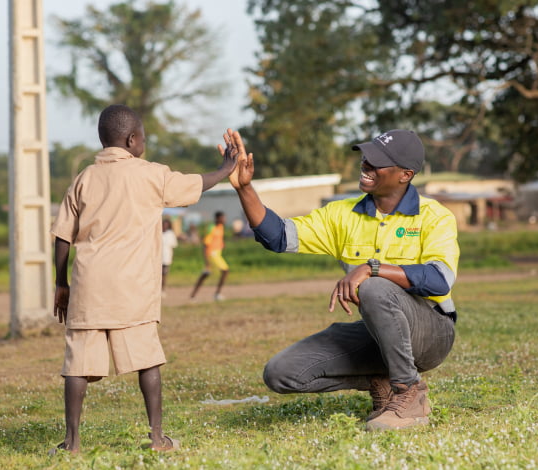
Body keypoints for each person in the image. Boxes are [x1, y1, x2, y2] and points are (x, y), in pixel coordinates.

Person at [223, 128, 459, 431]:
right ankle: (382, 380)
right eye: (366, 158)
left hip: (432, 332)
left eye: (377, 163)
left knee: (374, 285)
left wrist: (371, 268)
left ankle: (409, 393)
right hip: (380, 332)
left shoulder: (434, 216)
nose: (366, 165)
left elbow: (439, 280)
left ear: (405, 174)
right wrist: (244, 188)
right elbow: (277, 236)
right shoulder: (341, 214)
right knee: (282, 372)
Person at [49, 104, 238, 454]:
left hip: (90, 286)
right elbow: (195, 184)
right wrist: (226, 168)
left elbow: (62, 236)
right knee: (147, 360)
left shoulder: (84, 178)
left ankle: (72, 443)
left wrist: (61, 283)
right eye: (144, 138)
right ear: (132, 140)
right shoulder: (151, 175)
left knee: (78, 365)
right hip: (133, 289)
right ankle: (156, 438)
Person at [189, 211, 229, 301]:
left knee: (205, 274)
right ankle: (217, 294)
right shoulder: (212, 228)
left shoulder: (221, 227)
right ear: (217, 218)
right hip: (212, 254)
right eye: (222, 218)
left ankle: (193, 295)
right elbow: (205, 244)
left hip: (217, 253)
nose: (224, 220)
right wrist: (206, 259)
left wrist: (222, 243)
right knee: (225, 271)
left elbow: (218, 239)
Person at [161, 218, 178, 294]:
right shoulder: (158, 232)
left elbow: (173, 245)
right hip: (157, 258)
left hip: (166, 257)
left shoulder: (170, 234)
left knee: (164, 274)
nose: (164, 226)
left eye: (166, 225)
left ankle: (162, 289)